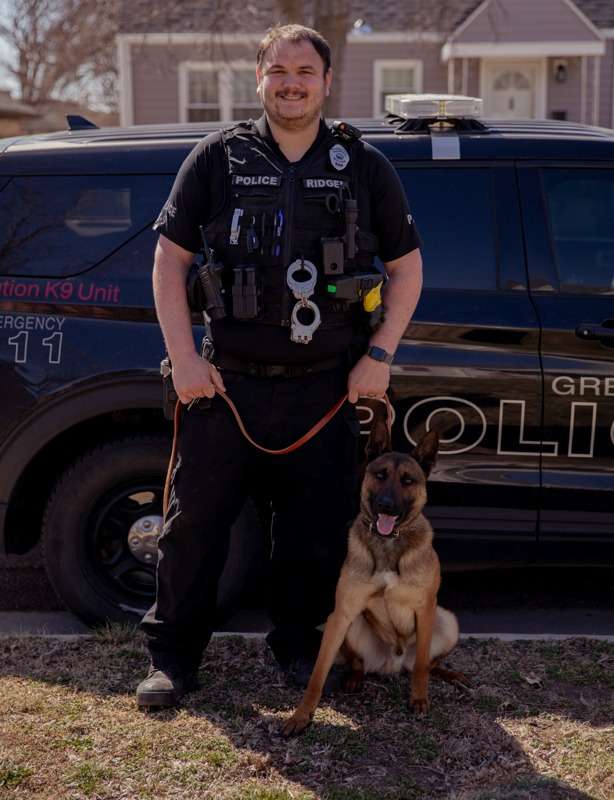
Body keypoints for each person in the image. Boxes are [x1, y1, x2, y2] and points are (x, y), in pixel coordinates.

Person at [136, 23, 423, 708]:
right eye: (278, 70)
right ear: (259, 77)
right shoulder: (217, 158)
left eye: (305, 71)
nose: (291, 82)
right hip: (223, 388)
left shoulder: (364, 167)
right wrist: (183, 359)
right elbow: (168, 261)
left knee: (314, 533)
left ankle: (296, 650)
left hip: (324, 389)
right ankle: (172, 660)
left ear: (327, 82)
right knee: (193, 529)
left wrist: (378, 357)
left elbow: (407, 270)